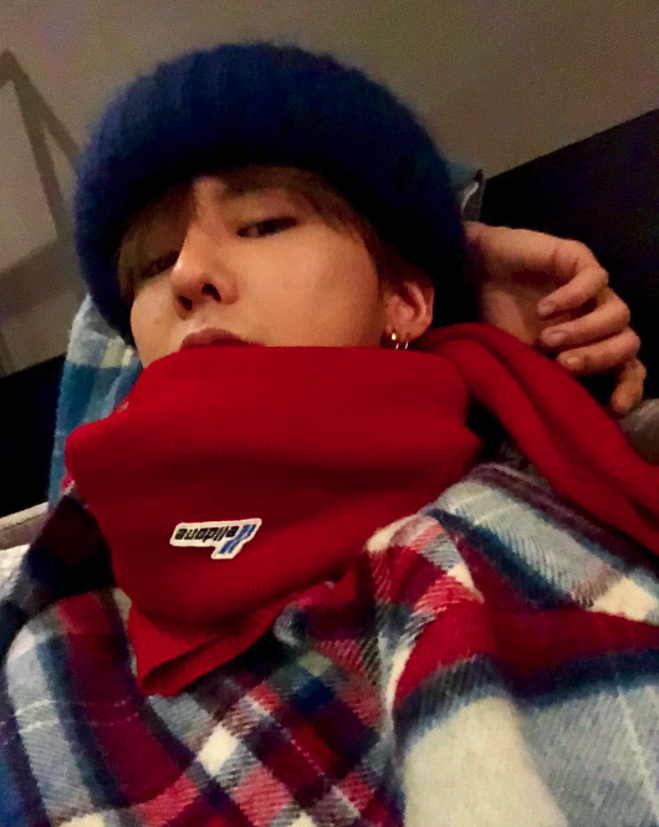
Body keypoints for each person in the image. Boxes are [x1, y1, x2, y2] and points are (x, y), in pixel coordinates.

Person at [1, 41, 658, 827]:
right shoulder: (55, 638)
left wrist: (448, 256)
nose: (185, 274)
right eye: (150, 263)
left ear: (406, 302)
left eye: (263, 223)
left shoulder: (510, 528)